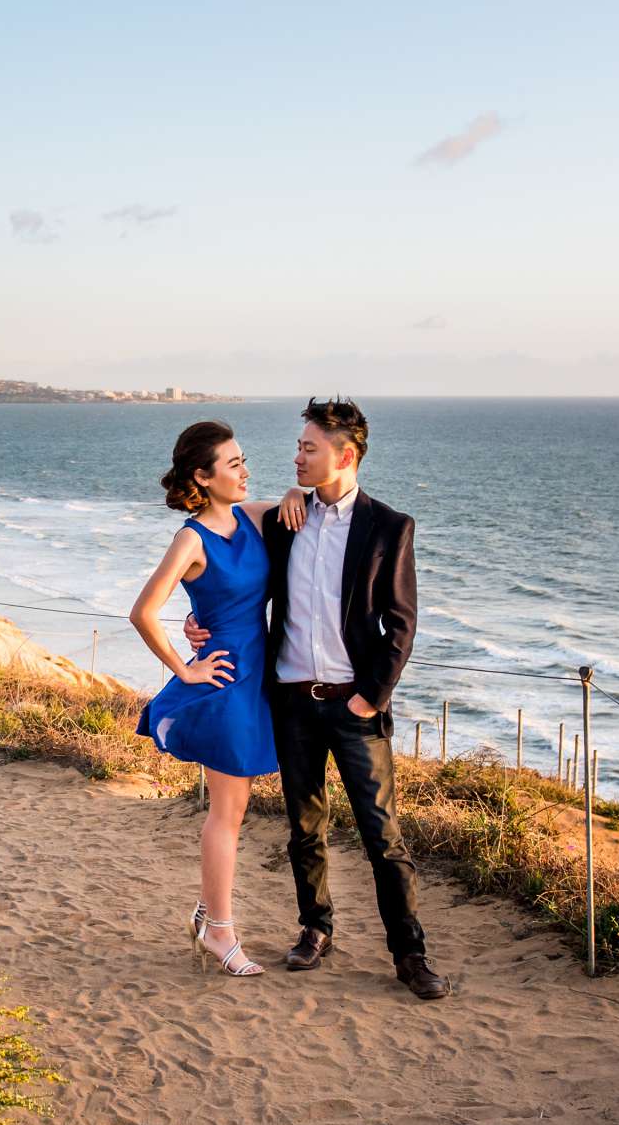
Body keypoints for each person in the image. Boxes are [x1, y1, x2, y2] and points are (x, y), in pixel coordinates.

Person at [188, 398, 447, 1000]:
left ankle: (410, 955)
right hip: (292, 701)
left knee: (382, 836)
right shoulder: (285, 518)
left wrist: (368, 699)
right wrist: (197, 626)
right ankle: (315, 929)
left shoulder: (389, 526)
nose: (297, 457)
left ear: (345, 454)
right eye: (299, 447)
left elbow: (401, 626)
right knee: (305, 829)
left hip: (354, 707)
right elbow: (224, 568)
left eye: (309, 448)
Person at [129, 421, 303, 977]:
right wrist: (186, 667)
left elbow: (300, 504)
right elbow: (142, 612)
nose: (245, 470)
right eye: (233, 464)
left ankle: (210, 914)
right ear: (202, 477)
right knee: (228, 812)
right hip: (225, 682)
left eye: (243, 459)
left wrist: (299, 492)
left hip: (259, 681)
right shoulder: (190, 539)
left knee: (236, 809)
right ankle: (220, 931)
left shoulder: (249, 517)